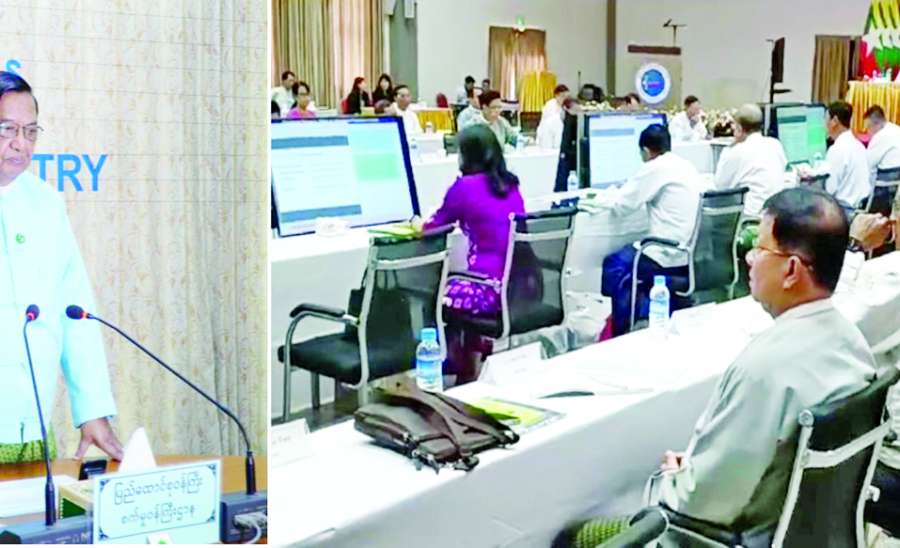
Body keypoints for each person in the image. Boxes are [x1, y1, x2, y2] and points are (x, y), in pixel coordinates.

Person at [558, 188, 876, 547]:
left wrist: (677, 478)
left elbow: (699, 503)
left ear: (791, 270)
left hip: (728, 536)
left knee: (577, 538)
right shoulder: (852, 343)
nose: (749, 258)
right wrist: (704, 467)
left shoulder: (766, 369)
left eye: (759, 248)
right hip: (804, 531)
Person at [0, 71, 123, 463]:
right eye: (7, 129)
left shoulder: (46, 205)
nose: (20, 143)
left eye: (30, 132)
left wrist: (92, 409)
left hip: (30, 433)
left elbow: (75, 312)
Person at [422, 124, 525, 382]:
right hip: (521, 285)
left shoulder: (464, 187)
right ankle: (469, 358)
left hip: (489, 289)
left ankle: (454, 362)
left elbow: (433, 228)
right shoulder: (511, 184)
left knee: (434, 295)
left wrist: (417, 224)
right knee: (461, 290)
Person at [595, 124, 706, 336]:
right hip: (689, 254)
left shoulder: (654, 167)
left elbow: (622, 206)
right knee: (629, 258)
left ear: (646, 151)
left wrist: (607, 196)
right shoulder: (686, 166)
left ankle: (620, 331)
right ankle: (636, 315)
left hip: (666, 254)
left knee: (615, 265)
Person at [713, 103, 787, 216]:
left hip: (750, 220)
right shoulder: (775, 145)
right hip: (775, 216)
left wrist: (730, 148)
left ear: (739, 128)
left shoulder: (734, 152)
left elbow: (720, 187)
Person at [825, 100, 871, 210]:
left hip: (844, 210)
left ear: (834, 121)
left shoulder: (837, 150)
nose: (824, 124)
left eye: (825, 119)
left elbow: (829, 190)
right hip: (860, 207)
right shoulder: (859, 145)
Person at [863, 104, 900, 181]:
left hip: (891, 178)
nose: (867, 132)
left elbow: (868, 165)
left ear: (877, 123)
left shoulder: (879, 137)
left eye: (868, 127)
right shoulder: (896, 128)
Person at [536, 84, 569, 149]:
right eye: (563, 96)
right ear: (556, 96)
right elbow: (550, 122)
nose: (565, 99)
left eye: (567, 97)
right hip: (547, 134)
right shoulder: (550, 105)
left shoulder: (566, 106)